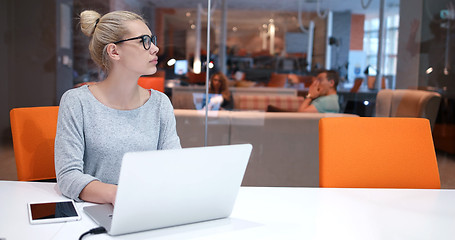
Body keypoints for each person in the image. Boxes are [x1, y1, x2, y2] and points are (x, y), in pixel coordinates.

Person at [54, 10, 181, 205]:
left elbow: (174, 166)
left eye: (152, 40)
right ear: (114, 51)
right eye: (144, 41)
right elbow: (68, 176)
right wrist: (120, 195)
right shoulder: (77, 102)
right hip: (95, 210)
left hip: (149, 206)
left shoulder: (160, 103)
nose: (155, 48)